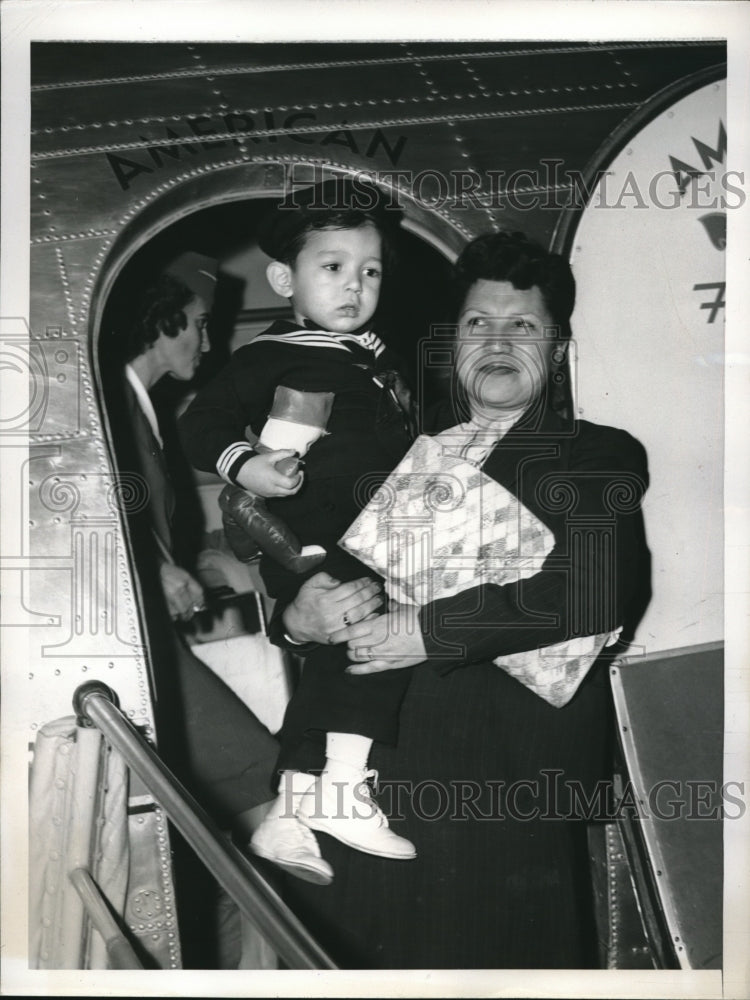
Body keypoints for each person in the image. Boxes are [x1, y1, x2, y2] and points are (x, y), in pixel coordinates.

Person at [274, 231, 650, 968]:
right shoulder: (411, 454)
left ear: (560, 348)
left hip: (497, 787)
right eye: (479, 323)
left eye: (525, 326)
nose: (499, 341)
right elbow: (338, 582)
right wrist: (295, 620)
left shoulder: (596, 453)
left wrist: (430, 633)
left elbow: (597, 587)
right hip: (365, 789)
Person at [179, 178, 418, 873]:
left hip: (376, 530)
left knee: (350, 654)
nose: (356, 285)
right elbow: (201, 424)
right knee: (371, 639)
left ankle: (291, 810)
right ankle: (342, 786)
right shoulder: (271, 354)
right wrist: (246, 465)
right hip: (314, 530)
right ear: (284, 277)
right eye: (333, 267)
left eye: (370, 271)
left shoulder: (376, 359)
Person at [120, 251, 327, 885]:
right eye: (201, 323)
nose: (207, 342)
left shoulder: (141, 410)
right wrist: (153, 569)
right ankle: (274, 821)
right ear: (164, 320)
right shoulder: (115, 406)